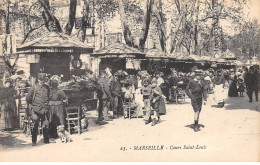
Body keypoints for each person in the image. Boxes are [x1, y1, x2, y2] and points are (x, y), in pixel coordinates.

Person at [26, 73, 51, 146]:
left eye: (44, 81)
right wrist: (34, 104)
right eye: (42, 80)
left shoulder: (47, 87)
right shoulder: (34, 88)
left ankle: (46, 140)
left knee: (45, 124)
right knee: (35, 125)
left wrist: (47, 103)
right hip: (36, 110)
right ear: (39, 80)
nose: (43, 82)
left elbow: (49, 96)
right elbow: (28, 98)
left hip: (45, 109)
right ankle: (34, 141)